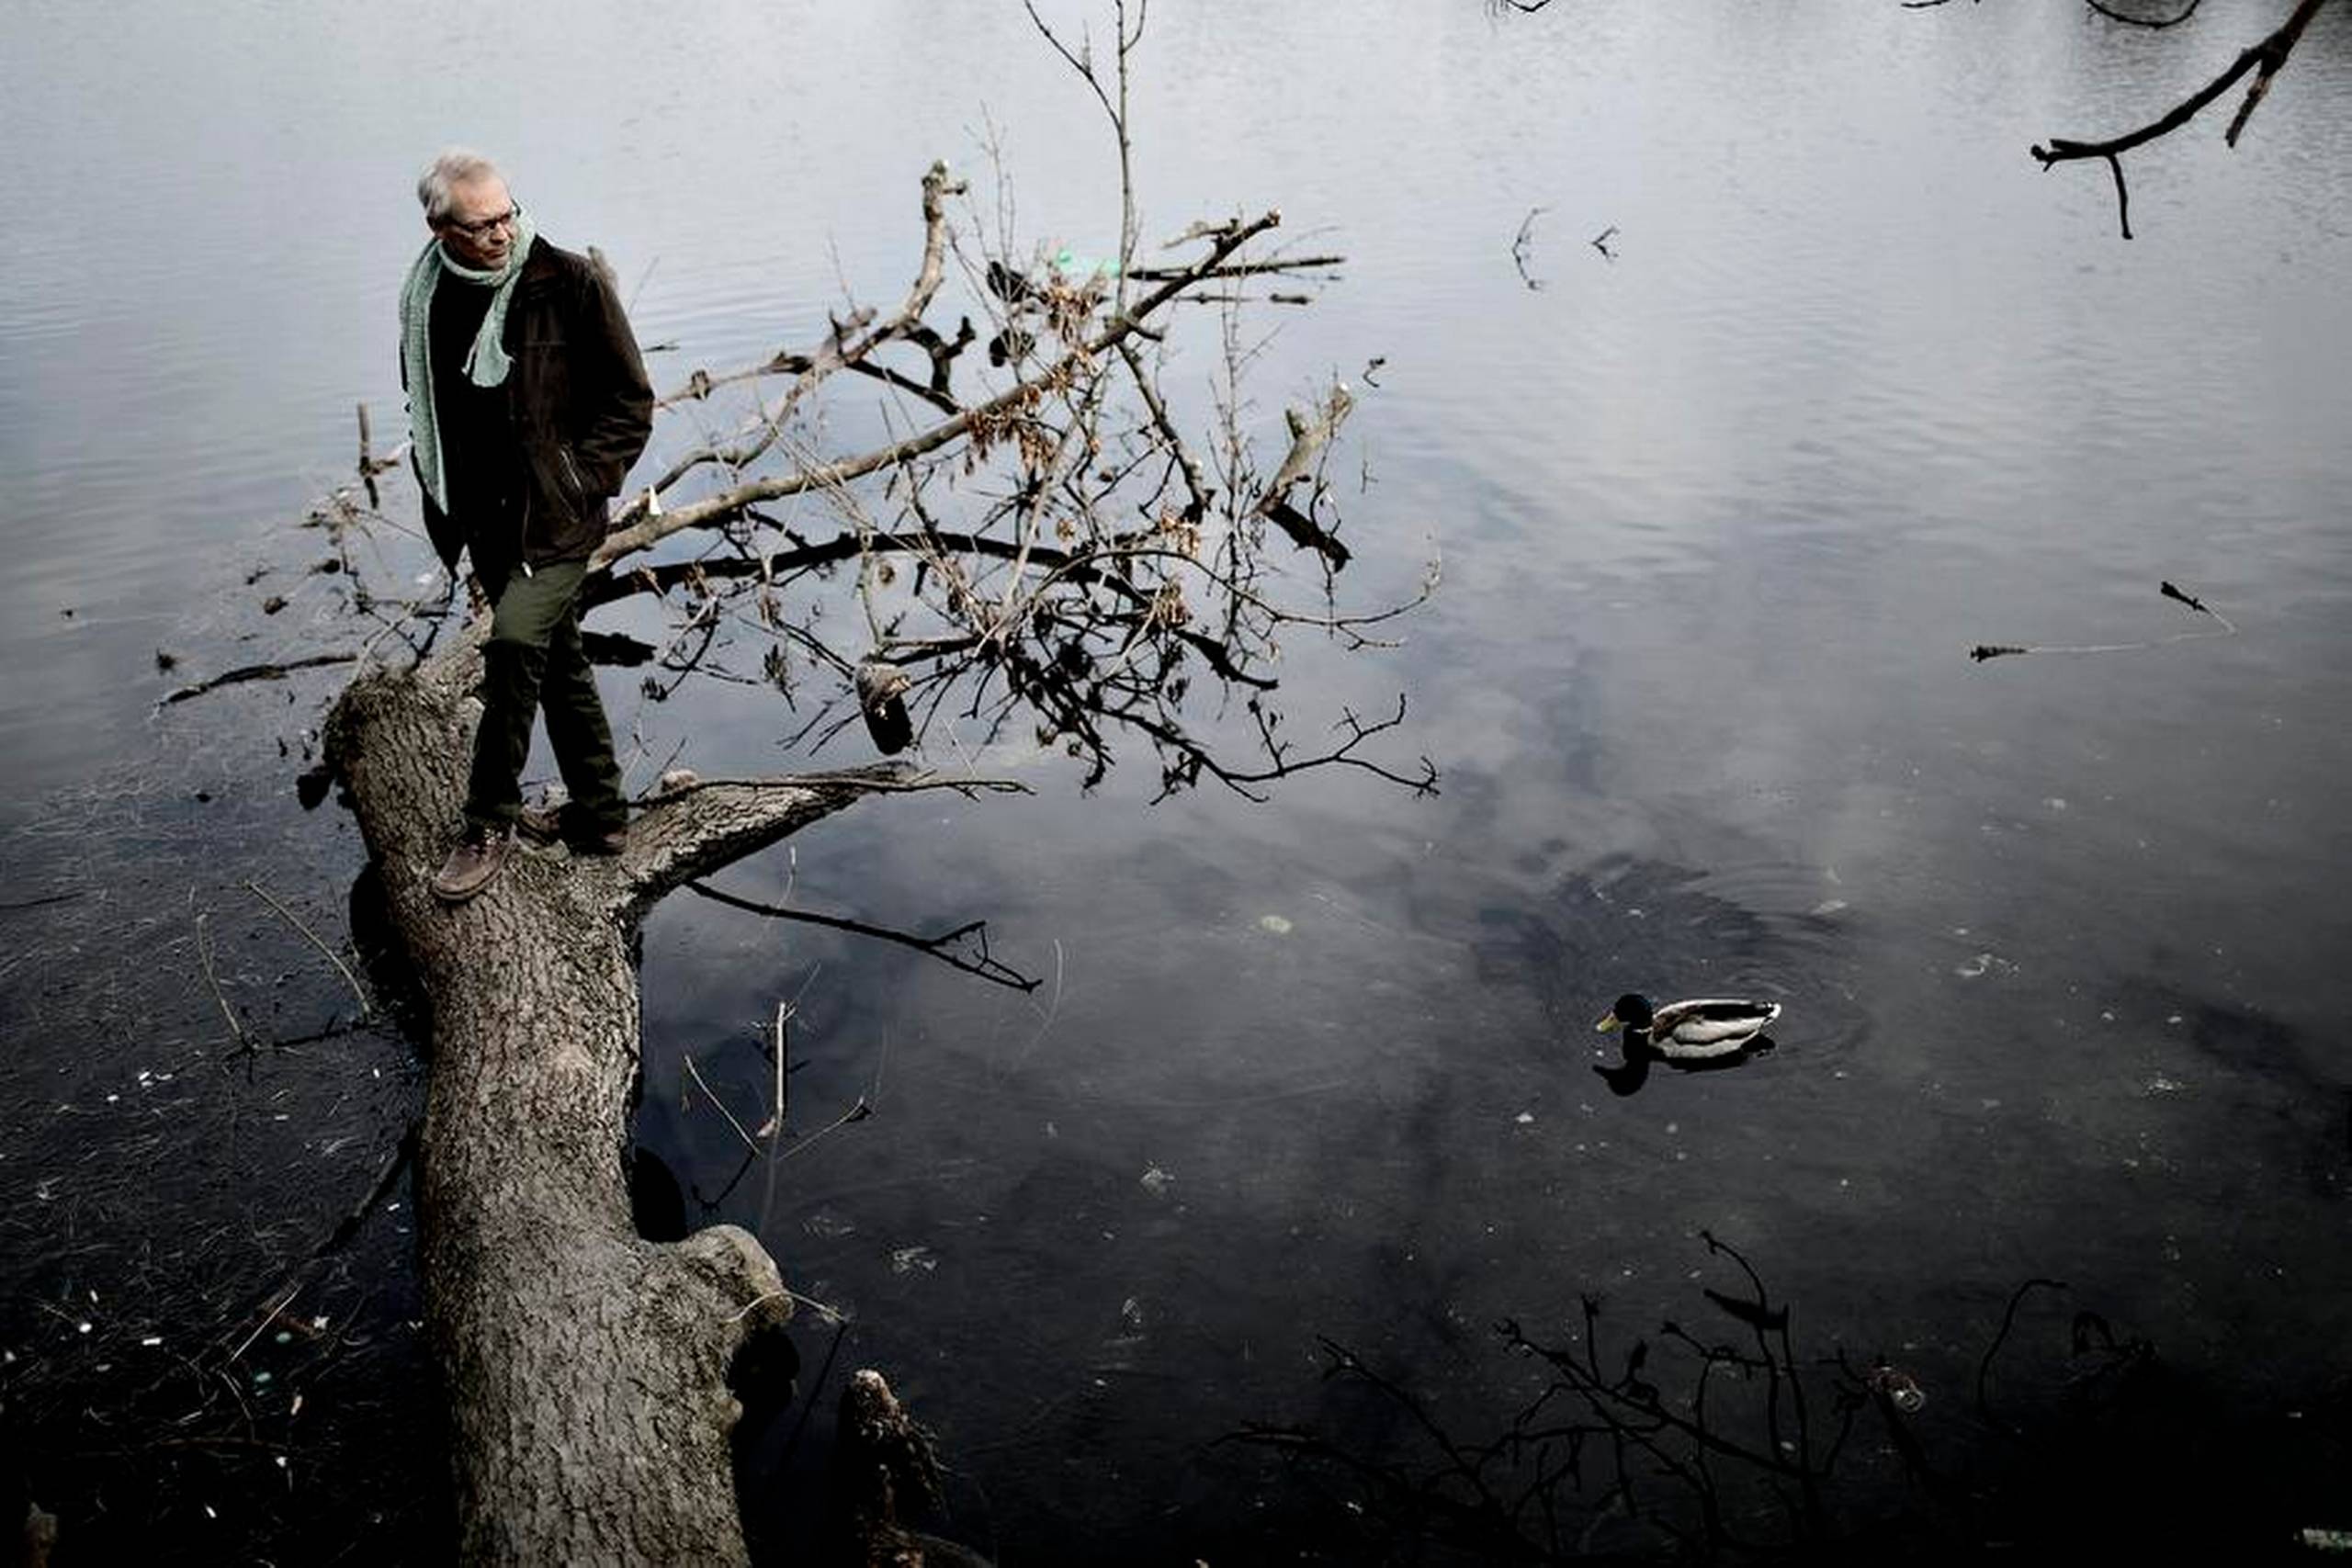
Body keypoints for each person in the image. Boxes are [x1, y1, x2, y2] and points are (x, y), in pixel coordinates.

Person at [399, 150, 654, 902]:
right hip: (484, 517)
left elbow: (630, 402)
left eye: (508, 214)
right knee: (558, 653)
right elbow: (427, 396)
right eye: (482, 225)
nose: (503, 233)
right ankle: (602, 814)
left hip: (558, 519)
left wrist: (581, 480)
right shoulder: (428, 296)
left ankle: (488, 821)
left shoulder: (567, 282)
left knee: (514, 643)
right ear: (440, 227)